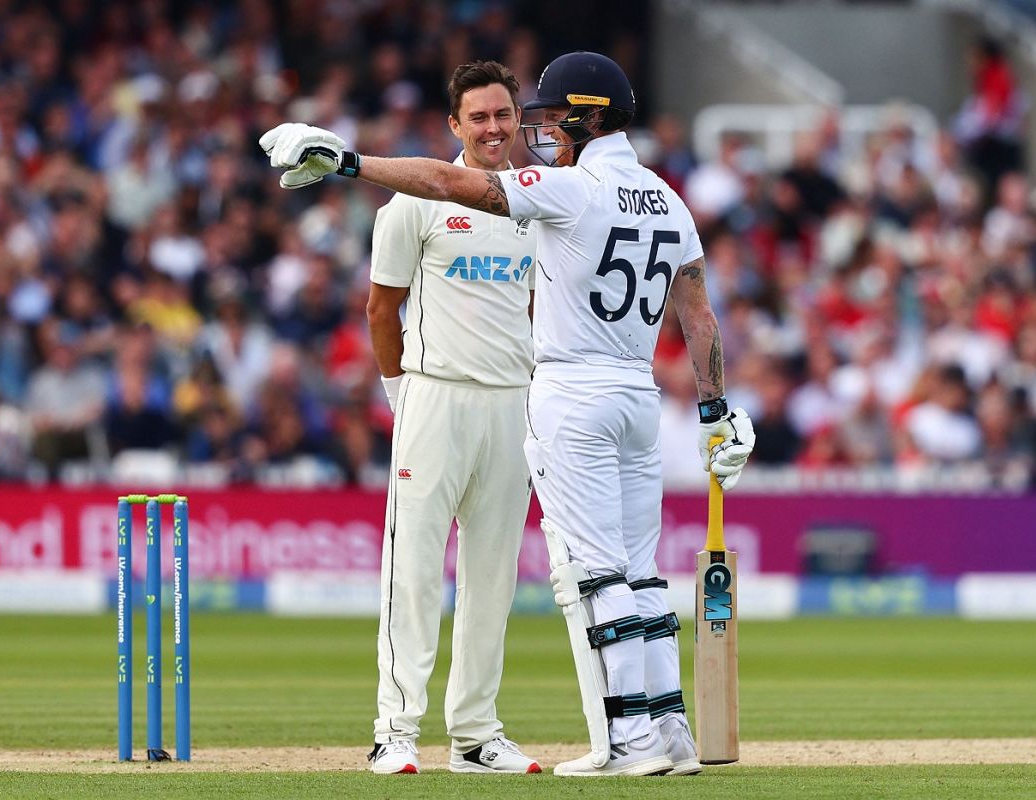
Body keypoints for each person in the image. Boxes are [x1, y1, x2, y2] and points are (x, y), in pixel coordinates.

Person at [260, 51, 755, 777]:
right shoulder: (669, 200)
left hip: (557, 395)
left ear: (590, 117)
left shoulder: (564, 191)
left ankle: (604, 740)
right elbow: (701, 318)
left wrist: (346, 160)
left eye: (550, 118)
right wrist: (717, 413)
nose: (536, 130)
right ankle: (656, 729)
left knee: (583, 574)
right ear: (455, 120)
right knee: (631, 571)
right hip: (612, 396)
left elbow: (446, 180)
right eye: (525, 118)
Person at [339, 61, 543, 775]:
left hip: (509, 404)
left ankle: (476, 734)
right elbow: (380, 309)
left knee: (493, 577)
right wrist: (401, 395)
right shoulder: (413, 204)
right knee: (415, 570)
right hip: (434, 396)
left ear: (520, 120)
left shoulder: (533, 204)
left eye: (503, 115)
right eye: (478, 118)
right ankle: (395, 730)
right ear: (455, 126)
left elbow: (531, 311)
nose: (493, 128)